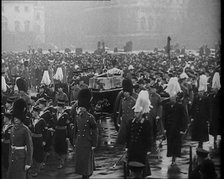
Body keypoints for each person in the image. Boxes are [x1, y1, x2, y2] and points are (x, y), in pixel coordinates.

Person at [125, 90, 153, 178]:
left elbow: (148, 136)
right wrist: (127, 146)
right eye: (135, 112)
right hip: (132, 148)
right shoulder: (131, 122)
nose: (135, 114)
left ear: (141, 113)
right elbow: (128, 135)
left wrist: (148, 148)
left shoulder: (145, 123)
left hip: (141, 149)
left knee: (140, 168)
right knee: (132, 167)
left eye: (137, 113)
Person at [74, 88, 98, 179]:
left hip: (87, 143)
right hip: (80, 143)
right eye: (81, 107)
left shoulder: (90, 117)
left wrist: (94, 144)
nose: (81, 109)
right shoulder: (78, 117)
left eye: (83, 107)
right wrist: (74, 141)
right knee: (82, 164)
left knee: (87, 166)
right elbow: (75, 130)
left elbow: (95, 131)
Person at [7, 98, 33, 179]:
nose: (16, 120)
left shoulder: (25, 129)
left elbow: (30, 147)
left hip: (21, 159)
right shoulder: (12, 129)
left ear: (21, 119)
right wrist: (9, 157)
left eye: (18, 119)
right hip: (13, 157)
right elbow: (11, 145)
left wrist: (28, 163)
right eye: (15, 118)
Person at [163, 77, 186, 165]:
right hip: (169, 128)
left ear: (176, 97)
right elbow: (164, 117)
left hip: (177, 128)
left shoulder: (180, 106)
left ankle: (174, 157)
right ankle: (171, 156)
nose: (172, 99)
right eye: (171, 97)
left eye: (174, 97)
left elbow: (183, 118)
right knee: (170, 142)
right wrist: (164, 128)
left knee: (176, 143)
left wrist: (182, 129)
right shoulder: (167, 105)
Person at [190, 75, 210, 149]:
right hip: (197, 117)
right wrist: (192, 116)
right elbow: (193, 107)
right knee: (197, 131)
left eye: (201, 92)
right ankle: (199, 141)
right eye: (199, 92)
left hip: (203, 117)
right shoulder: (196, 98)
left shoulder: (206, 99)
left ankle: (201, 143)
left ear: (203, 92)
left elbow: (208, 109)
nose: (200, 93)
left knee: (202, 131)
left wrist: (208, 118)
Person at [116, 78, 136, 145]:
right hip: (124, 119)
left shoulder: (133, 101)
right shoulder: (123, 100)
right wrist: (118, 120)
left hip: (130, 119)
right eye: (124, 92)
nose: (125, 93)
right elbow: (120, 110)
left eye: (127, 92)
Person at [30, 106, 47, 177]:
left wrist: (44, 140)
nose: (32, 113)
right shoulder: (32, 120)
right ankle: (33, 168)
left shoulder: (42, 121)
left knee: (38, 154)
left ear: (37, 112)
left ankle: (36, 170)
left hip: (39, 139)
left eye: (33, 112)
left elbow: (45, 131)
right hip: (32, 139)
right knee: (32, 153)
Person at [54, 99, 70, 169]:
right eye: (57, 106)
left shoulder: (66, 115)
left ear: (62, 107)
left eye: (59, 107)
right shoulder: (56, 114)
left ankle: (62, 162)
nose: (57, 108)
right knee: (56, 146)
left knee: (62, 147)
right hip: (56, 132)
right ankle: (60, 158)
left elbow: (68, 126)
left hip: (63, 133)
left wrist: (68, 136)